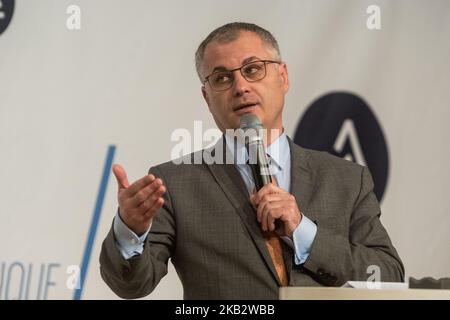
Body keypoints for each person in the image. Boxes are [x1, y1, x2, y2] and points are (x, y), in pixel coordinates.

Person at [99, 22, 404, 299]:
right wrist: (131, 229)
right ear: (207, 97)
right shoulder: (175, 184)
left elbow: (387, 276)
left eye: (253, 69)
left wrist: (302, 230)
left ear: (282, 77)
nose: (240, 87)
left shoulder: (346, 178)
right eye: (221, 78)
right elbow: (132, 285)